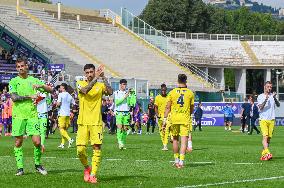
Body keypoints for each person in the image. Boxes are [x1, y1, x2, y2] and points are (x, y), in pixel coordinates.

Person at [9, 58, 52, 176]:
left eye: (22, 66)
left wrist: (41, 85)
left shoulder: (33, 80)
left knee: (37, 142)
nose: (20, 68)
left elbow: (51, 90)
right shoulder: (13, 81)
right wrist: (30, 96)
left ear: (27, 66)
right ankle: (20, 168)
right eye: (18, 67)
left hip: (32, 115)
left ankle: (38, 165)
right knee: (18, 142)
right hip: (18, 116)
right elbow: (14, 98)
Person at [76, 64, 113, 183]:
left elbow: (110, 92)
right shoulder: (80, 83)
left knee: (96, 147)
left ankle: (93, 174)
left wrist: (104, 77)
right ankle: (87, 168)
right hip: (82, 122)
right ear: (84, 73)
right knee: (80, 150)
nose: (90, 74)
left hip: (96, 122)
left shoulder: (100, 85)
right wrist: (96, 77)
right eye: (87, 72)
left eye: (91, 72)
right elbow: (85, 91)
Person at [163, 74, 194, 168]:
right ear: (186, 81)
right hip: (185, 119)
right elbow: (192, 108)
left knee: (175, 140)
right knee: (184, 141)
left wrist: (164, 120)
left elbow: (168, 107)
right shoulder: (190, 93)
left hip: (174, 119)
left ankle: (176, 161)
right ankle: (181, 162)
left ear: (178, 81)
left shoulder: (172, 92)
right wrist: (188, 113)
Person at [257, 81, 280, 161]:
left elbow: (278, 105)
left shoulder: (272, 96)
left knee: (269, 139)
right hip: (263, 119)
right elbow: (260, 107)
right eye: (268, 87)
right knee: (265, 136)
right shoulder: (260, 96)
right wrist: (266, 99)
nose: (269, 88)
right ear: (264, 87)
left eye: (270, 87)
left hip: (272, 119)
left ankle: (264, 154)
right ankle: (267, 152)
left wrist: (274, 98)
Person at [114, 79, 132, 149]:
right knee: (119, 127)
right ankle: (119, 142)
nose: (125, 85)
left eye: (125, 84)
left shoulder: (128, 93)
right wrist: (125, 96)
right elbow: (117, 102)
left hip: (127, 112)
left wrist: (131, 95)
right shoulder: (117, 92)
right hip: (119, 112)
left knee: (125, 129)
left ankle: (122, 143)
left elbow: (130, 103)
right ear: (120, 85)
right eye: (123, 84)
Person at [36, 81, 53, 152]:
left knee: (43, 131)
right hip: (35, 113)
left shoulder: (46, 93)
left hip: (43, 113)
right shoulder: (37, 92)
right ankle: (38, 144)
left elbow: (40, 98)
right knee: (37, 131)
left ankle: (42, 144)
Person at [57, 83, 75, 149]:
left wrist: (56, 105)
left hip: (62, 113)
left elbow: (58, 104)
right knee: (64, 130)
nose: (59, 88)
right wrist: (72, 111)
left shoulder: (60, 94)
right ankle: (62, 144)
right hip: (68, 114)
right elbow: (74, 103)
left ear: (63, 87)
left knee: (61, 129)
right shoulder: (70, 95)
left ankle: (70, 139)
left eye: (60, 87)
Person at [154, 84, 170, 150]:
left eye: (164, 90)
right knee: (161, 131)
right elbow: (156, 107)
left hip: (168, 116)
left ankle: (166, 144)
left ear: (166, 90)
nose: (163, 91)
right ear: (161, 90)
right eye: (162, 90)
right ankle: (164, 144)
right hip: (160, 117)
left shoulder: (169, 97)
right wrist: (157, 115)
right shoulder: (157, 97)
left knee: (166, 130)